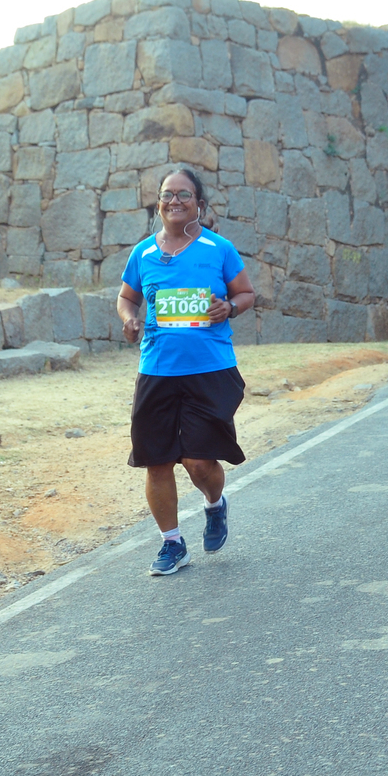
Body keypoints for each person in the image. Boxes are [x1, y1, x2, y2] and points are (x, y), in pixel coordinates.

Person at [116, 169, 256, 576]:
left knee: (198, 462)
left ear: (199, 204)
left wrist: (229, 307)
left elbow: (246, 293)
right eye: (167, 194)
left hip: (211, 370)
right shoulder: (143, 253)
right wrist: (129, 319)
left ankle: (214, 505)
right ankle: (172, 543)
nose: (174, 201)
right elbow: (127, 298)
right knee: (156, 461)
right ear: (158, 203)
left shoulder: (218, 248)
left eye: (184, 195)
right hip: (157, 370)